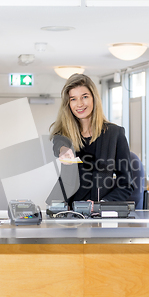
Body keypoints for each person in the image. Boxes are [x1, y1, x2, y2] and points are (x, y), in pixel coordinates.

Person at [48, 74, 134, 207]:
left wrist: (102, 204)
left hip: (99, 211)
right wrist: (64, 151)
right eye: (73, 99)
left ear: (94, 98)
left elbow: (126, 184)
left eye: (85, 97)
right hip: (67, 209)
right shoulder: (64, 134)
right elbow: (59, 144)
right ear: (68, 104)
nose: (80, 104)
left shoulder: (115, 134)